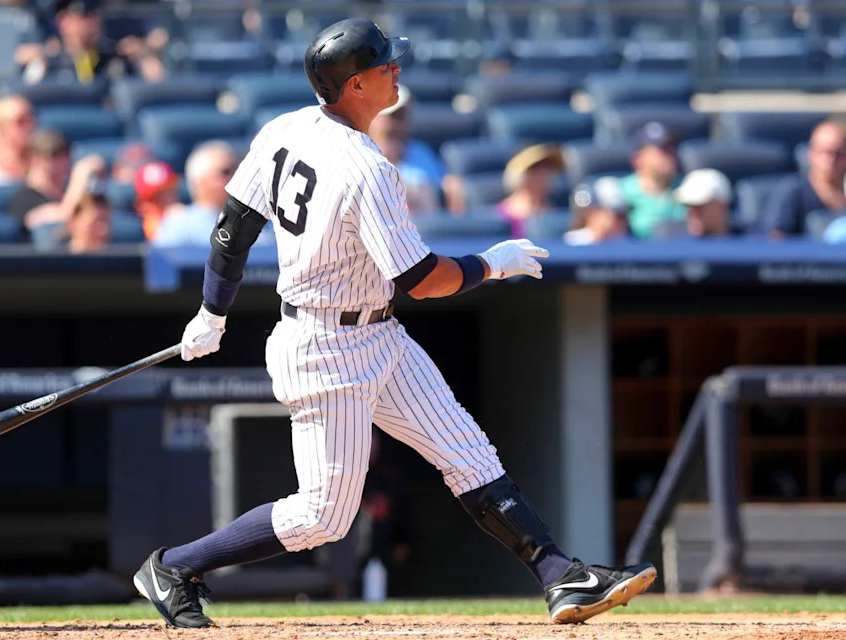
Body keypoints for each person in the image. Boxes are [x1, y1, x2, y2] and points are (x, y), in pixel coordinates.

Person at [132, 18, 655, 629]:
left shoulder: (286, 127)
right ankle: (173, 567)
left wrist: (212, 310)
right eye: (385, 65)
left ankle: (561, 575)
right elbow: (422, 280)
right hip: (325, 346)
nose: (397, 70)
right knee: (323, 517)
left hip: (378, 332)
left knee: (467, 450)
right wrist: (493, 263)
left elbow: (231, 230)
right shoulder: (366, 168)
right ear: (355, 85)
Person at [759, 119, 846, 236]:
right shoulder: (790, 193)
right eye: (825, 152)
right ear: (811, 153)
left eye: (838, 154)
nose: (831, 160)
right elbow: (775, 241)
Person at [366, 86, 444, 215]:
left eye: (401, 115)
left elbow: (440, 194)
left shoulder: (422, 153)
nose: (396, 123)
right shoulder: (356, 154)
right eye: (391, 115)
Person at [153, 141, 242, 248]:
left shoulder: (259, 222)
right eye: (226, 172)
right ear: (200, 181)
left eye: (239, 171)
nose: (236, 178)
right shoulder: (180, 224)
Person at [619, 121, 685, 238]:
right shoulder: (619, 193)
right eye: (662, 150)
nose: (670, 155)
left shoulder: (689, 190)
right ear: (638, 159)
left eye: (672, 149)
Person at [497, 144, 564, 238]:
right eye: (535, 168)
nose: (543, 173)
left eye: (548, 167)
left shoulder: (558, 217)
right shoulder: (498, 217)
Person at [7, 129, 71, 223]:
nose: (61, 161)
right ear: (34, 159)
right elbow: (63, 217)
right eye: (53, 155)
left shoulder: (67, 193)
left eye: (64, 154)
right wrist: (79, 180)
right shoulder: (24, 199)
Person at [563, 177, 629, 246]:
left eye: (623, 215)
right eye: (616, 214)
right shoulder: (571, 241)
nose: (621, 221)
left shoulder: (629, 245)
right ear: (592, 211)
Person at [673, 168, 735, 237]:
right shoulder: (672, 241)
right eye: (688, 206)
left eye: (700, 205)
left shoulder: (746, 241)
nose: (694, 213)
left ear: (722, 206)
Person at [133, 160, 181, 241]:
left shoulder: (185, 218)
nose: (166, 201)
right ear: (140, 205)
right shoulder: (136, 232)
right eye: (156, 199)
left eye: (169, 193)